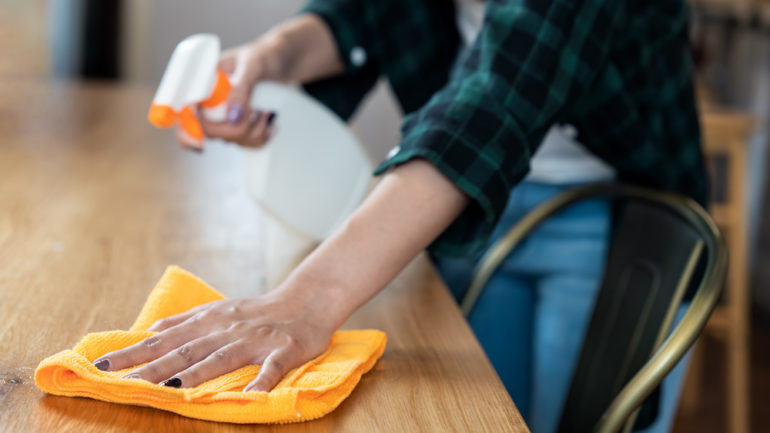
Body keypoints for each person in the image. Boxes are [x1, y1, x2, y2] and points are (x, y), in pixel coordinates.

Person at [93, 1, 706, 431]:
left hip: (615, 214)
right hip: (473, 213)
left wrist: (309, 298)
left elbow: (494, 101)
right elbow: (364, 11)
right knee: (477, 419)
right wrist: (273, 58)